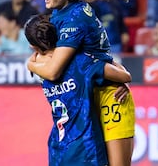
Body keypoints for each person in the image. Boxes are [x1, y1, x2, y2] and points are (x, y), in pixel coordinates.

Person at [27, 0, 146, 166]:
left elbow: (53, 71)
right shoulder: (61, 14)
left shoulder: (75, 18)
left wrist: (31, 65)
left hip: (107, 93)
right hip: (87, 95)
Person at [25, 14, 131, 165]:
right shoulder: (81, 61)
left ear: (33, 47)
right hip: (85, 143)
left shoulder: (37, 65)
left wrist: (30, 65)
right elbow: (124, 76)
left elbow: (51, 70)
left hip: (58, 146)